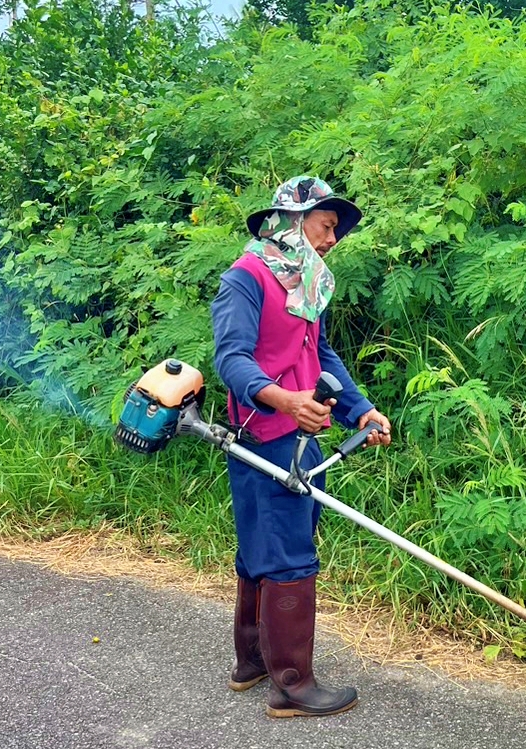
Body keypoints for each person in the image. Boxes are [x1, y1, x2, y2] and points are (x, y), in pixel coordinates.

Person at [211, 175, 392, 718]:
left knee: (266, 544)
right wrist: (286, 402)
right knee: (288, 553)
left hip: (301, 435)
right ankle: (293, 685)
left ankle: (252, 662)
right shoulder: (246, 279)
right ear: (294, 221)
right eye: (327, 225)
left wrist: (360, 408)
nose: (333, 237)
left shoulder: (307, 284)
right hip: (263, 437)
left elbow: (323, 353)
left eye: (336, 229)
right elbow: (232, 359)